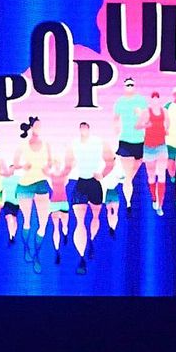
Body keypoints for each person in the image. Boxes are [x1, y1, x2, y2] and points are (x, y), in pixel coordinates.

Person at [65, 122, 113, 275]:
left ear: (89, 129)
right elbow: (67, 164)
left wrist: (103, 174)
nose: (83, 130)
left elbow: (110, 161)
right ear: (79, 129)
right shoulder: (73, 144)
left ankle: (90, 240)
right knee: (79, 221)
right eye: (81, 128)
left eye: (86, 128)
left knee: (95, 216)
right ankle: (81, 257)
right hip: (81, 183)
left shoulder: (99, 142)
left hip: (94, 183)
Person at [12, 117, 52, 269]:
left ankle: (37, 255)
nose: (39, 128)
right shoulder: (22, 145)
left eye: (41, 126)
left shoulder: (47, 145)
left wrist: (50, 167)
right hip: (25, 185)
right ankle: (27, 250)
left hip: (41, 183)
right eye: (37, 125)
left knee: (43, 223)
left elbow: (49, 164)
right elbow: (15, 164)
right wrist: (23, 165)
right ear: (31, 127)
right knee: (27, 221)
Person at [112, 78, 150, 210]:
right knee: (128, 175)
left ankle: (124, 184)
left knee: (131, 174)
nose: (129, 87)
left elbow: (147, 118)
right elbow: (115, 119)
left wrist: (141, 115)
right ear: (124, 87)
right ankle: (128, 203)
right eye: (127, 85)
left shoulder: (141, 100)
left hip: (140, 141)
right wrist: (116, 131)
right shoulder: (120, 102)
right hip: (125, 141)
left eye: (131, 85)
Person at [143, 92, 169, 215]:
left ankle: (160, 205)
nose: (155, 102)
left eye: (156, 99)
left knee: (162, 175)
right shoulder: (146, 112)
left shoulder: (164, 112)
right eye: (153, 99)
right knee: (151, 176)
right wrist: (145, 124)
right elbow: (138, 125)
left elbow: (168, 123)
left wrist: (167, 129)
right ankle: (154, 197)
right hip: (148, 147)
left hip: (161, 146)